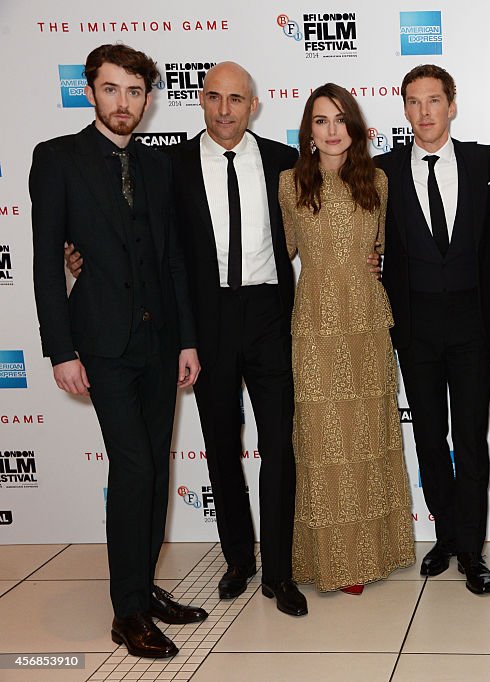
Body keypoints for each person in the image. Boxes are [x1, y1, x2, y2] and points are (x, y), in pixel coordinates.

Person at [66, 62, 307, 617]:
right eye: (216, 98)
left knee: (279, 445)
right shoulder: (165, 165)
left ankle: (280, 571)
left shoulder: (282, 161)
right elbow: (127, 231)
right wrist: (76, 254)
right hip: (201, 321)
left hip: (270, 314)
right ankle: (239, 561)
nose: (226, 110)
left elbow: (326, 222)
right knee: (221, 446)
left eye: (237, 100)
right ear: (200, 100)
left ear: (254, 105)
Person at [30, 43, 206, 658]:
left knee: (155, 467)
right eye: (111, 89)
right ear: (90, 91)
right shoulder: (57, 159)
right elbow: (47, 263)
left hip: (159, 344)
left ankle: (142, 586)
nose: (123, 103)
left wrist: (186, 337)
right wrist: (60, 350)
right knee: (133, 467)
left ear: (148, 98)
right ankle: (125, 610)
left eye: (135, 91)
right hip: (100, 345)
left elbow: (174, 262)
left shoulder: (157, 167)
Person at [279, 83, 415, 593]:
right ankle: (330, 560)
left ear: (354, 128)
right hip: (314, 325)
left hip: (366, 323)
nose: (332, 130)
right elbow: (274, 255)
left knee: (367, 437)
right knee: (320, 443)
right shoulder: (290, 184)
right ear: (308, 131)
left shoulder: (376, 182)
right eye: (321, 121)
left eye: (340, 119)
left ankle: (373, 553)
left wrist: (377, 263)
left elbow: (386, 251)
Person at [375, 65, 490, 594]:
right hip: (414, 327)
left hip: (474, 325)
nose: (424, 112)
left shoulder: (484, 160)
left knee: (470, 438)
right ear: (404, 109)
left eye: (434, 100)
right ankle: (445, 534)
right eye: (413, 102)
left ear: (452, 105)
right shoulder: (381, 171)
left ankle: (472, 549)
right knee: (429, 435)